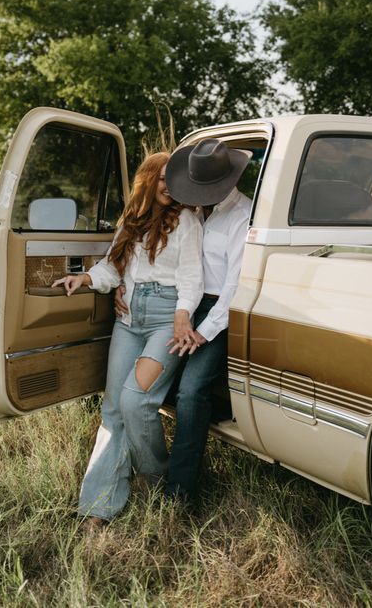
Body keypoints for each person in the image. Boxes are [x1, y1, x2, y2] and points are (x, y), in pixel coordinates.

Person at [52, 152, 203, 524]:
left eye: (174, 180)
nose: (169, 186)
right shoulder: (131, 220)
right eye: (163, 179)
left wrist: (182, 316)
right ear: (147, 179)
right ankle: (99, 507)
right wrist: (85, 279)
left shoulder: (186, 219)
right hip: (129, 317)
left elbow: (192, 275)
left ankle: (155, 479)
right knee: (114, 409)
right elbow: (113, 266)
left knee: (136, 401)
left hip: (167, 319)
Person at [115, 139, 251, 505]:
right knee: (164, 388)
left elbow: (235, 287)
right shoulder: (192, 209)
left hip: (218, 312)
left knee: (191, 392)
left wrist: (202, 334)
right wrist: (123, 286)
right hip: (180, 305)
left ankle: (179, 493)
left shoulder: (241, 217)